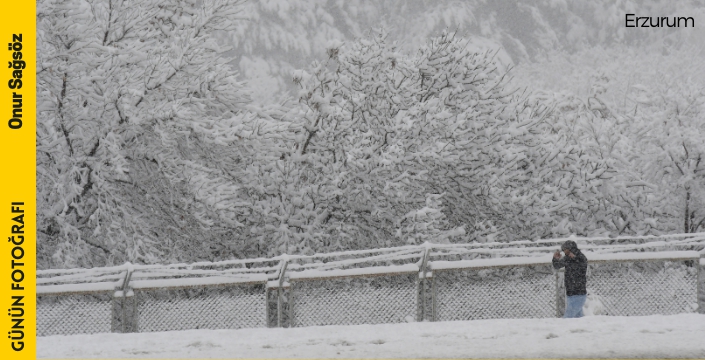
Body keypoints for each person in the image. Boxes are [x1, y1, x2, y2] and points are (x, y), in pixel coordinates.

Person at [552, 240, 588, 318]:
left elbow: (583, 267)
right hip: (570, 292)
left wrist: (575, 258)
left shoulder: (581, 257)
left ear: (571, 248)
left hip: (579, 292)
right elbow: (557, 266)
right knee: (578, 317)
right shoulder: (567, 258)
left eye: (565, 249)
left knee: (569, 317)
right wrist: (555, 259)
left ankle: (562, 328)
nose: (564, 252)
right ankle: (582, 327)